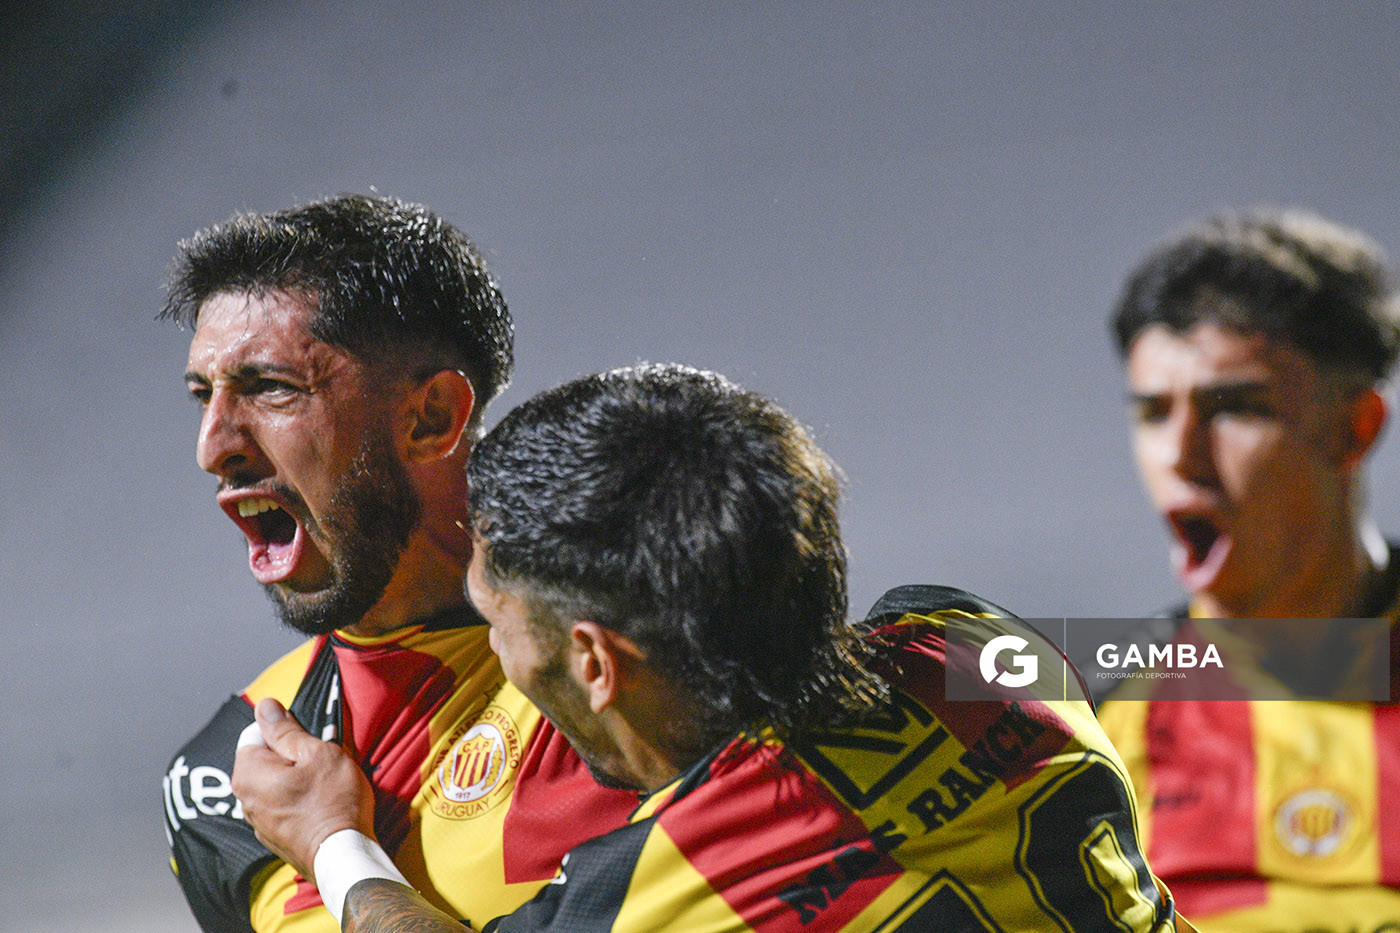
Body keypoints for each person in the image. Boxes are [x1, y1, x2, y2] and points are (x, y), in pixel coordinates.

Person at [231, 363, 1188, 932]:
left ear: (598, 663)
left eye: (493, 609)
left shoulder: (656, 890)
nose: (491, 641)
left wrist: (336, 843)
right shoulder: (968, 636)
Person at [159, 194, 637, 933]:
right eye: (204, 395)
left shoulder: (641, 664)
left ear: (432, 416)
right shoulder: (229, 775)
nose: (212, 445)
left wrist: (335, 849)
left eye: (271, 387)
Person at [1095, 208, 1400, 928]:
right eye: (1152, 413)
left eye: (1233, 408)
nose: (1180, 455)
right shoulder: (1093, 730)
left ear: (1354, 427)